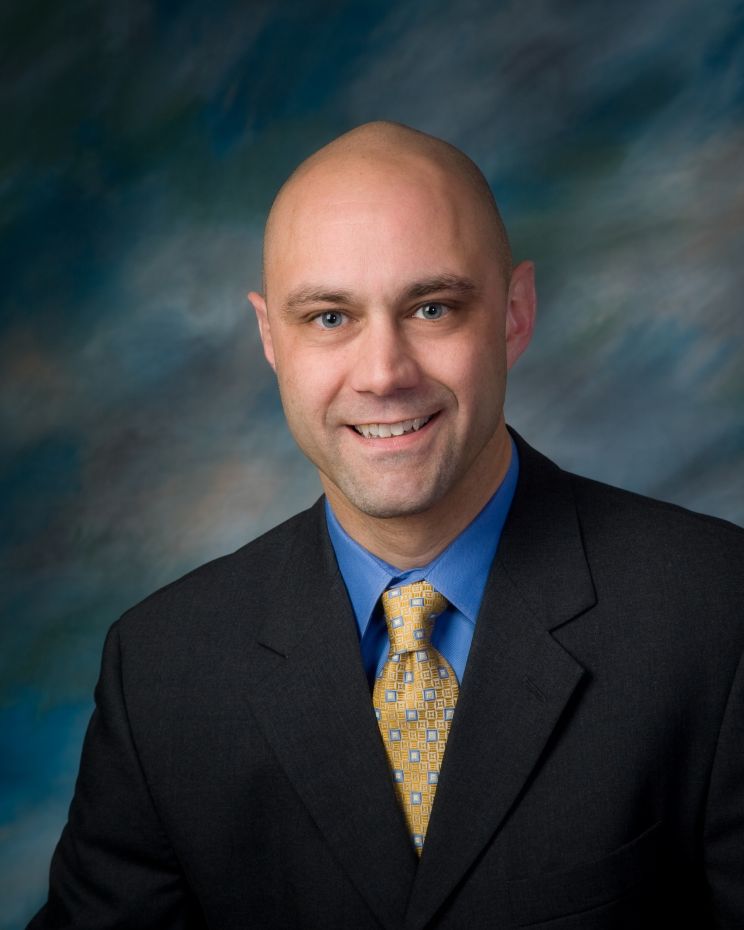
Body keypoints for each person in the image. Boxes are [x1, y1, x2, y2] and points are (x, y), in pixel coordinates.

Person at [28, 122, 744, 930]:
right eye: (329, 318)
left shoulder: (718, 615)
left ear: (514, 314)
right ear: (271, 338)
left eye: (432, 308)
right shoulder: (161, 671)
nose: (383, 374)